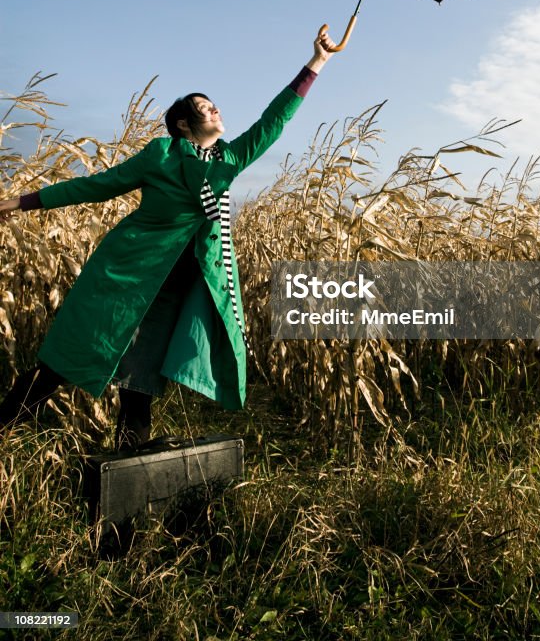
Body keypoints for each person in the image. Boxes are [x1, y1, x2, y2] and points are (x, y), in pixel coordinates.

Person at [0, 29, 335, 448]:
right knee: (64, 363)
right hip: (126, 278)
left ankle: (126, 479)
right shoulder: (160, 154)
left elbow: (273, 122)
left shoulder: (228, 160)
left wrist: (316, 63)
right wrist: (19, 202)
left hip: (172, 291)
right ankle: (5, 427)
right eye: (203, 106)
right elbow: (96, 185)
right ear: (183, 124)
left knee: (139, 386)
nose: (214, 108)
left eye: (211, 104)